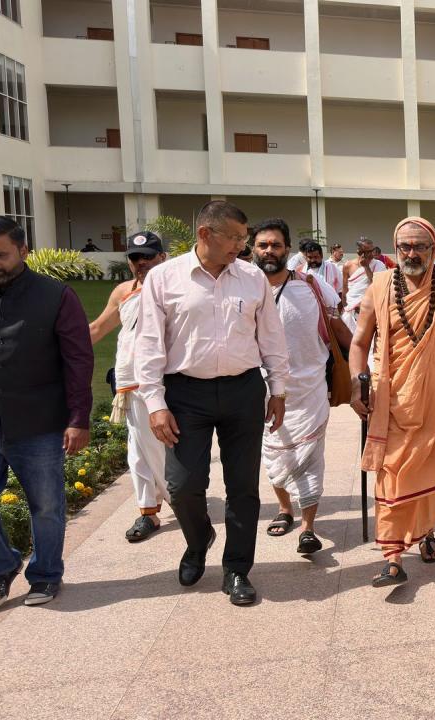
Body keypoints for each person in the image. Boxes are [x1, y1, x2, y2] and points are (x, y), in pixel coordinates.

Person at [134, 200, 290, 607]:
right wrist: (155, 402)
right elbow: (148, 343)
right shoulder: (164, 278)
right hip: (185, 395)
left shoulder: (252, 278)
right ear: (205, 234)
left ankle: (237, 569)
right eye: (235, 237)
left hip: (243, 391)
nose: (242, 245)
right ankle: (199, 538)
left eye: (244, 237)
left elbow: (271, 337)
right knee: (183, 486)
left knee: (243, 486)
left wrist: (278, 389)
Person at [350, 217, 435, 587]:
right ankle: (393, 557)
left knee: (431, 471)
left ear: (433, 250)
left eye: (420, 247)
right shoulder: (381, 286)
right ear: (395, 249)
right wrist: (355, 383)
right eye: (405, 247)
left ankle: (426, 535)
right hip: (391, 401)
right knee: (391, 474)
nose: (412, 253)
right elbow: (359, 342)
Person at [0, 216, 93, 606]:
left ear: (23, 251)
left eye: (1, 255)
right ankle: (3, 566)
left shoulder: (56, 296)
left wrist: (78, 418)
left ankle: (46, 575)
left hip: (37, 422)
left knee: (47, 505)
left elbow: (79, 361)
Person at [252, 219, 350, 556]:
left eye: (275, 245)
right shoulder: (244, 286)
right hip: (261, 390)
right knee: (273, 455)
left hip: (309, 388)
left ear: (287, 249)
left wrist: (362, 366)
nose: (269, 251)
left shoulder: (311, 285)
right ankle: (284, 509)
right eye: (263, 245)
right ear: (253, 249)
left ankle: (308, 527)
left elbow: (338, 328)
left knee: (310, 457)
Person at [87, 230, 170, 543]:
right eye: (135, 257)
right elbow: (98, 328)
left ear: (162, 257)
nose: (141, 262)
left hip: (166, 380)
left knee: (160, 448)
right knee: (138, 449)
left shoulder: (175, 288)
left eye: (148, 256)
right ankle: (148, 511)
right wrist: (55, 351)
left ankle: (182, 501)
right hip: (129, 381)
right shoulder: (124, 291)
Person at [342, 239, 386, 333]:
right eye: (368, 251)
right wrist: (345, 308)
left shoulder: (379, 265)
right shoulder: (348, 266)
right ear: (359, 251)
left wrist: (366, 267)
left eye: (372, 250)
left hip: (371, 310)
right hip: (351, 310)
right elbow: (345, 290)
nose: (371, 254)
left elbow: (379, 286)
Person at [295, 240, 345, 307]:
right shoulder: (300, 270)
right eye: (310, 257)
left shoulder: (332, 268)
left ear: (321, 256)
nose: (313, 260)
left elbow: (341, 289)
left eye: (316, 257)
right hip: (307, 308)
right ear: (306, 257)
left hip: (329, 308)